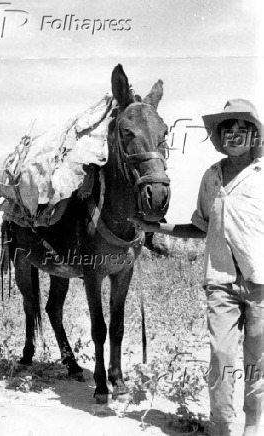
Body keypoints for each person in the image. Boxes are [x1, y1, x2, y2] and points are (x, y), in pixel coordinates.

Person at [130, 99, 264, 436]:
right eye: (227, 130)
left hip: (261, 283)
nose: (234, 135)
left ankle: (253, 422)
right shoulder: (211, 177)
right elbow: (201, 227)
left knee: (257, 361)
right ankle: (221, 426)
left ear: (254, 135)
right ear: (220, 138)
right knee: (221, 355)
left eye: (241, 129)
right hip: (220, 282)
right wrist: (157, 229)